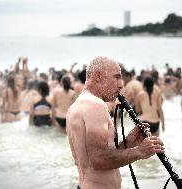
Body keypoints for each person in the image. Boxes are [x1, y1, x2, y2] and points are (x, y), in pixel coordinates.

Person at [66, 56, 165, 189]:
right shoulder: (95, 105)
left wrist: (127, 143)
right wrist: (140, 151)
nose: (121, 84)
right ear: (98, 76)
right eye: (116, 77)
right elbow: (99, 160)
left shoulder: (77, 105)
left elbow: (94, 158)